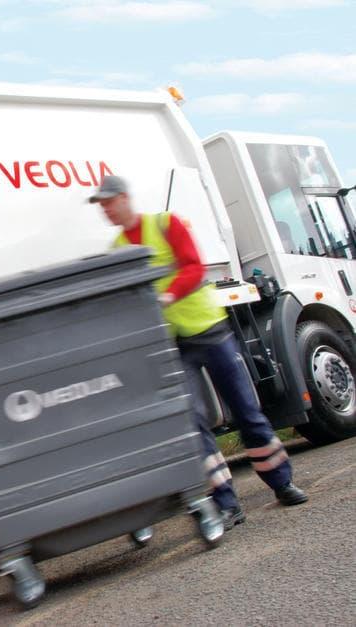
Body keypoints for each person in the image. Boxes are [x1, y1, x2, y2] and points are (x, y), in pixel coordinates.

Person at [90, 176, 308, 529]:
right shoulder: (117, 247)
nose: (106, 211)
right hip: (172, 343)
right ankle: (225, 503)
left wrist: (168, 295)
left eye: (109, 203)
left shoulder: (164, 224)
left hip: (208, 329)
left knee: (245, 409)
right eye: (101, 206)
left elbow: (192, 267)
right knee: (194, 421)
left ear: (125, 198)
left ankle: (282, 483)